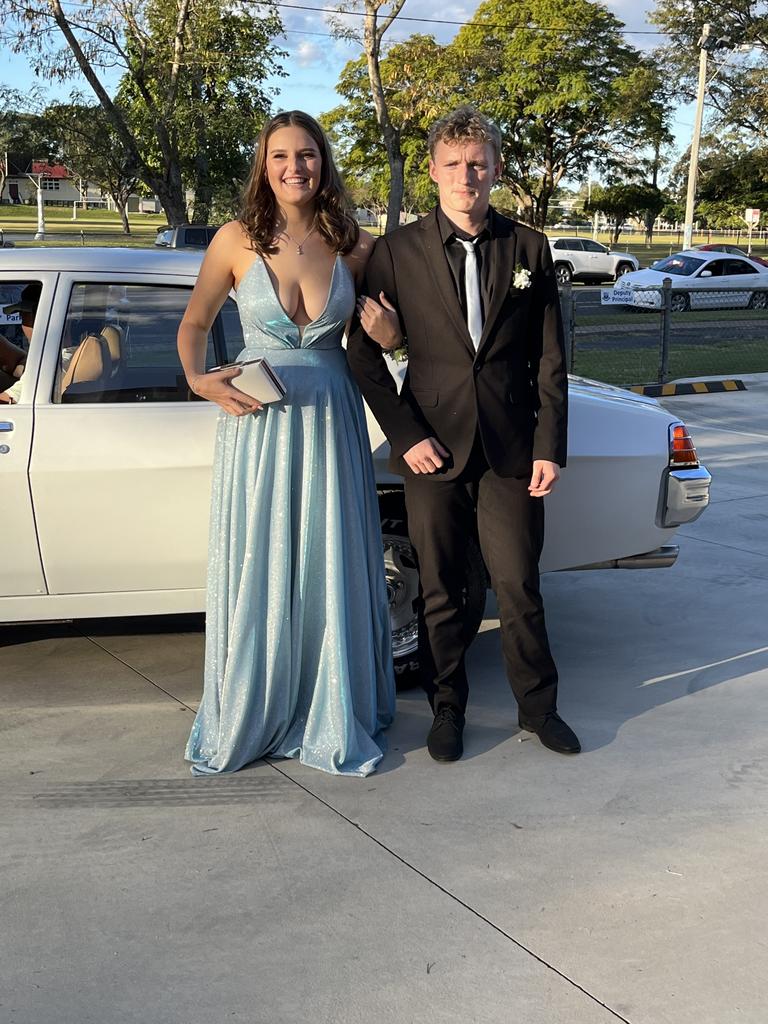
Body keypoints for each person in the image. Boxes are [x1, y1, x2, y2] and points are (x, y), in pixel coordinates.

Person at [348, 106, 580, 762]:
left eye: (477, 162)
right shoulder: (397, 252)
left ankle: (540, 710)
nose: (465, 176)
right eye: (452, 164)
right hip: (432, 449)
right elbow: (362, 353)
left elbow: (551, 360)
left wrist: (548, 447)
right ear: (432, 171)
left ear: (496, 168)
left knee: (518, 584)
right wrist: (405, 432)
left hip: (510, 450)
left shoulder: (529, 248)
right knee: (441, 590)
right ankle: (447, 709)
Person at [178, 110, 400, 777]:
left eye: (306, 154)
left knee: (328, 562)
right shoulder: (235, 240)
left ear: (322, 162)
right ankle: (257, 706)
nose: (294, 167)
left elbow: (392, 332)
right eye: (280, 156)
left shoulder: (355, 245)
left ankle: (332, 709)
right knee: (265, 564)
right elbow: (194, 323)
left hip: (333, 417)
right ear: (263, 164)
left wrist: (390, 337)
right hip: (258, 422)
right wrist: (197, 378)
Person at [0, 283, 41, 404]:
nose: (23, 325)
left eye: (23, 316)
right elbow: (21, 362)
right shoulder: (61, 355)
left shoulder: (50, 367)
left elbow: (5, 401)